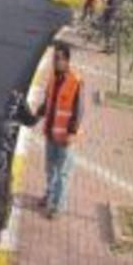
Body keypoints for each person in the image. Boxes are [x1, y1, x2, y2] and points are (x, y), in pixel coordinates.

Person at [35, 42, 84, 218]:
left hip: (64, 138)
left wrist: (71, 133)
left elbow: (79, 111)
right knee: (50, 169)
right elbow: (48, 102)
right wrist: (36, 114)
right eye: (54, 58)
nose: (56, 62)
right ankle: (49, 195)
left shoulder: (75, 81)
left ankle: (58, 206)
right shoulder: (53, 78)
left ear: (67, 60)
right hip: (50, 133)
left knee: (62, 173)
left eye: (59, 58)